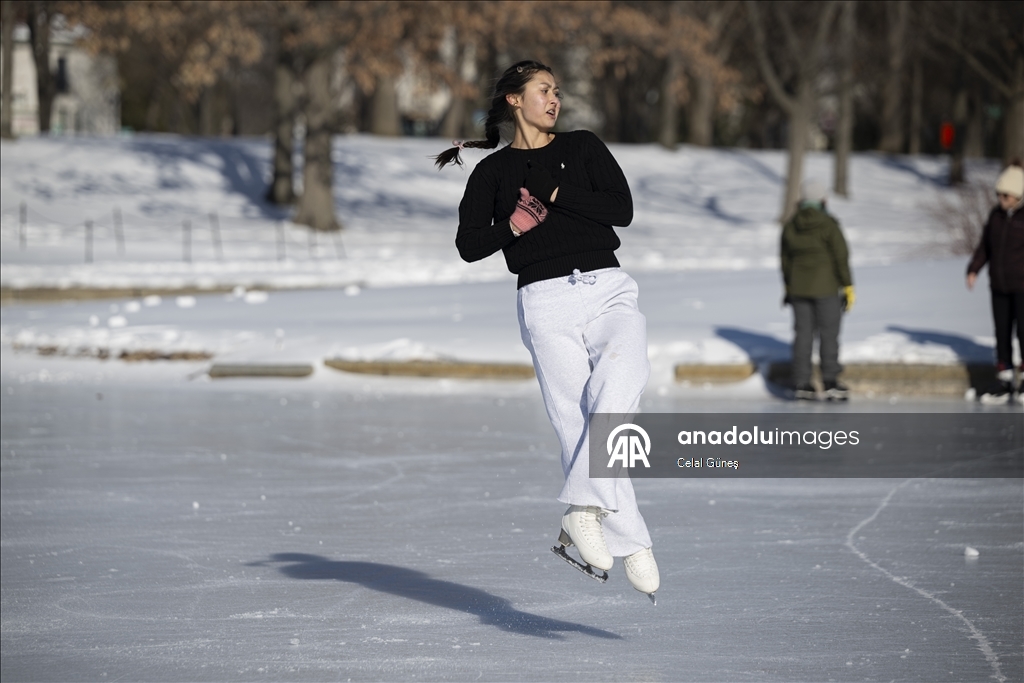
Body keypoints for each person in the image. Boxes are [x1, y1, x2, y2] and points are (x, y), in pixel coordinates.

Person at [435, 60, 659, 600]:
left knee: (623, 380)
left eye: (556, 91)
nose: (554, 99)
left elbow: (621, 209)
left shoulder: (582, 147)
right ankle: (630, 538)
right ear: (515, 100)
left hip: (607, 286)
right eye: (543, 90)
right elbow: (469, 246)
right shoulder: (490, 174)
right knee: (573, 423)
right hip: (544, 300)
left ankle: (583, 508)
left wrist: (559, 198)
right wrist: (515, 224)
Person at [780, 179, 855, 401]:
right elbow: (841, 257)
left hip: (798, 289)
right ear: (823, 199)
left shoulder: (791, 225)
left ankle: (802, 383)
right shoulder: (829, 224)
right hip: (827, 288)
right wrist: (848, 285)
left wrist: (788, 284)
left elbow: (785, 259)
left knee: (802, 335)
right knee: (829, 334)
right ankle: (830, 381)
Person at [966, 163, 1024, 404]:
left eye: (1006, 195)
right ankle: (1004, 378)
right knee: (1001, 332)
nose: (1001, 199)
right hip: (999, 284)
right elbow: (985, 246)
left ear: (1018, 195)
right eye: (999, 194)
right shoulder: (996, 216)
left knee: (1023, 332)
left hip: (1022, 286)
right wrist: (974, 268)